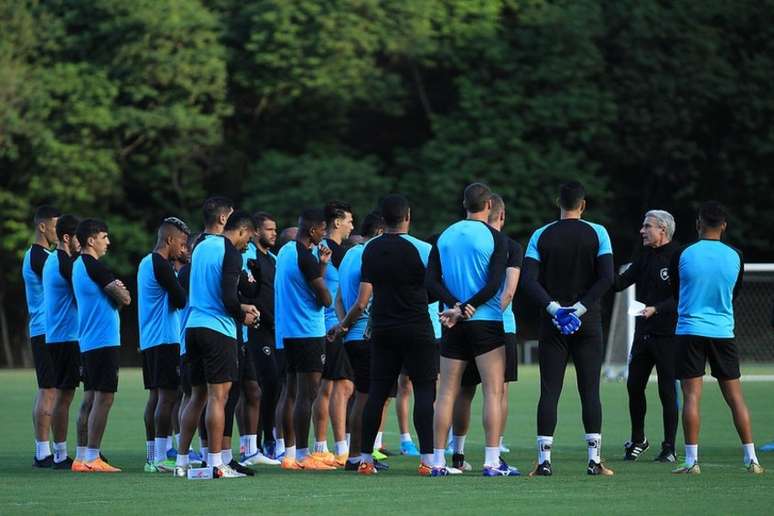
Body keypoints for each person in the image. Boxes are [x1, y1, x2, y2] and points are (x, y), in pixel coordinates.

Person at [331, 194, 437, 476]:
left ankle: (365, 458)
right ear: (408, 217)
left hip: (382, 328)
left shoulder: (371, 249)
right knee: (425, 391)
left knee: (376, 393)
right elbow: (436, 288)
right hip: (416, 326)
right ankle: (428, 461)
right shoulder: (423, 248)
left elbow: (367, 289)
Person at [521, 180, 614, 476]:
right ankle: (594, 460)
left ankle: (544, 462)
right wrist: (580, 308)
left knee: (549, 390)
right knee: (590, 390)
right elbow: (606, 278)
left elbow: (528, 281)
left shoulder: (541, 234)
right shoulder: (598, 232)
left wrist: (555, 309)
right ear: (583, 205)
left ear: (557, 203)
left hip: (553, 321)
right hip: (586, 320)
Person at [426, 183, 517, 477]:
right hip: (485, 321)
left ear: (464, 204)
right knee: (493, 391)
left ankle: (438, 461)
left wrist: (455, 306)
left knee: (447, 394)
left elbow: (431, 282)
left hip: (453, 322)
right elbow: (493, 285)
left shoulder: (444, 236)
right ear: (489, 205)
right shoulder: (495, 237)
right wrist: (468, 306)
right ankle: (492, 462)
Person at [669, 202, 763, 474]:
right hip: (723, 331)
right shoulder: (736, 255)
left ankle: (691, 462)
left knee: (691, 397)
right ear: (724, 225)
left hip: (689, 331)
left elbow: (676, 292)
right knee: (735, 398)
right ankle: (751, 459)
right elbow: (735, 292)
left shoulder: (683, 253)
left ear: (698, 223)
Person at [174, 211, 259, 479]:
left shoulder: (200, 246)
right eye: (249, 238)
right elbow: (227, 298)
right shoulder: (229, 250)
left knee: (195, 397)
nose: (248, 246)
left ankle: (181, 461)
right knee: (217, 398)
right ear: (243, 231)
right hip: (217, 329)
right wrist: (243, 312)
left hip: (193, 327)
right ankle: (215, 464)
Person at [447, 194, 522, 472]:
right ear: (500, 215)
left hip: (458, 321)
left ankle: (458, 453)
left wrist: (461, 310)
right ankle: (494, 455)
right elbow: (508, 291)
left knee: (462, 392)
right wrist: (482, 312)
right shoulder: (509, 245)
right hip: (496, 325)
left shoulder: (458, 238)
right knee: (497, 392)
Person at [612, 210, 679, 463]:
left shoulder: (678, 256)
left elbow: (683, 297)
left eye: (647, 226)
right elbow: (619, 283)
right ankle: (638, 439)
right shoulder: (644, 257)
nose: (642, 230)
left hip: (668, 334)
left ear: (662, 230)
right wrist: (600, 266)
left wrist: (657, 309)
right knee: (634, 386)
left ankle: (669, 447)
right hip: (644, 334)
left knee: (667, 390)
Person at [274, 208, 335, 471]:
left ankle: (289, 454)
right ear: (312, 230)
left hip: (287, 332)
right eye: (323, 229)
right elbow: (325, 298)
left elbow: (302, 284)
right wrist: (321, 270)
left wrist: (320, 265)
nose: (325, 234)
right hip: (308, 332)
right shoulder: (305, 257)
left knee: (290, 393)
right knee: (306, 395)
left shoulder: (287, 251)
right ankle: (302, 454)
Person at [71, 218, 131, 472]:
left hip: (89, 340)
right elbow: (125, 298)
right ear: (91, 240)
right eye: (104, 237)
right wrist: (119, 291)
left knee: (90, 398)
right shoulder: (94, 266)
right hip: (103, 341)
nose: (108, 242)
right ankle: (93, 457)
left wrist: (117, 293)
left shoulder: (78, 265)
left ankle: (81, 457)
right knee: (104, 398)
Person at [331, 211, 385, 471]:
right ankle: (358, 457)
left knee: (360, 396)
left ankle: (358, 455)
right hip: (365, 336)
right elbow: (362, 302)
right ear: (380, 232)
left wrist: (344, 327)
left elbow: (338, 299)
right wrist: (347, 324)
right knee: (366, 398)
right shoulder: (369, 255)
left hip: (352, 337)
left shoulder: (349, 253)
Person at [138, 217, 190, 472]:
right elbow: (180, 300)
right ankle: (160, 458)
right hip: (166, 338)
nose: (183, 248)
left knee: (157, 397)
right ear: (169, 240)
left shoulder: (146, 262)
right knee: (168, 397)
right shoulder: (161, 264)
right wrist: (185, 275)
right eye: (181, 243)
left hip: (150, 339)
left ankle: (152, 457)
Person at [312, 201, 355, 467]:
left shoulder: (333, 250)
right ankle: (334, 448)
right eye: (349, 220)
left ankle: (332, 446)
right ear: (337, 222)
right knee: (335, 387)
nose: (352, 225)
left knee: (337, 386)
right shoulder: (331, 250)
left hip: (335, 325)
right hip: (330, 326)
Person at [240, 212, 284, 464]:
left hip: (275, 330)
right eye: (269, 229)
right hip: (255, 329)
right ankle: (257, 443)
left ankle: (268, 438)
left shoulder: (274, 259)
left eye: (275, 229)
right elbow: (249, 293)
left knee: (274, 385)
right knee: (260, 386)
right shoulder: (248, 257)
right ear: (255, 232)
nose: (273, 234)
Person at [42, 214, 80, 469]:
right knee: (64, 397)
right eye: (79, 237)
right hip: (66, 337)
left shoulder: (53, 260)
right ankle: (60, 455)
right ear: (67, 238)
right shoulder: (64, 262)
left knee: (63, 395)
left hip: (58, 336)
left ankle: (61, 453)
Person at [23, 205, 60, 467]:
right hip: (45, 330)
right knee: (49, 390)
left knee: (50, 389)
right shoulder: (38, 256)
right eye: (56, 227)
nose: (60, 233)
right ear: (42, 226)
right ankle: (43, 453)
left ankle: (46, 450)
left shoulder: (44, 254)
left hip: (49, 330)